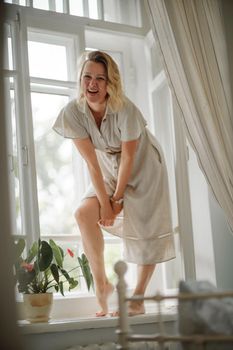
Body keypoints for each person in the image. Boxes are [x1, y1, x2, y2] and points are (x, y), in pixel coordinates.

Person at [53, 50, 175, 317]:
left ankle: (139, 297)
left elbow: (130, 156)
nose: (92, 84)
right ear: (80, 79)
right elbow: (92, 165)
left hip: (144, 165)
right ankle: (102, 285)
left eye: (100, 78)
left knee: (145, 227)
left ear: (111, 83)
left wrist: (117, 200)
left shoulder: (125, 109)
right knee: (84, 214)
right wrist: (105, 206)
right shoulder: (73, 113)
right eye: (87, 77)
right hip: (107, 166)